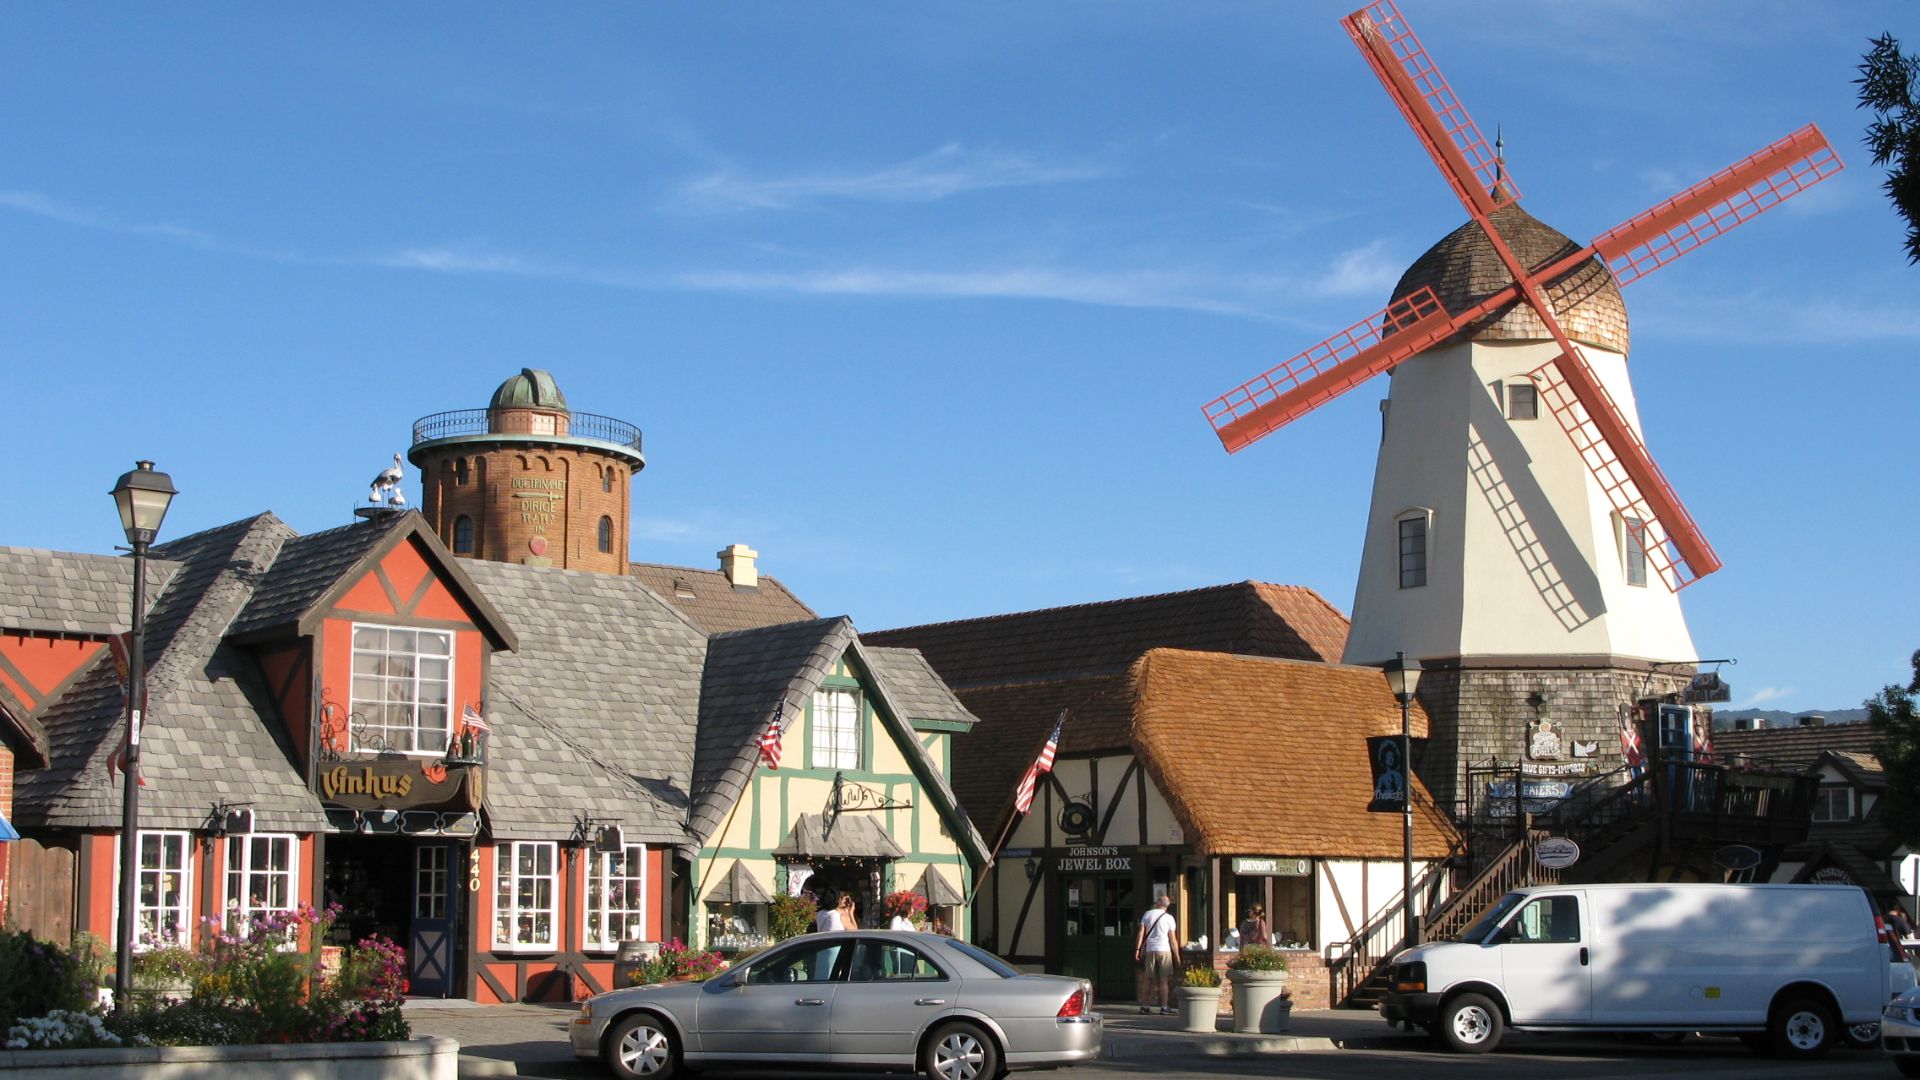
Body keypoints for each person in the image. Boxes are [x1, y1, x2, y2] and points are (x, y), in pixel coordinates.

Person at [1134, 893, 1178, 1015]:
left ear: (1158, 903)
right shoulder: (1169, 918)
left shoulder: (1148, 914)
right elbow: (1173, 940)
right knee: (1164, 980)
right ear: (1167, 906)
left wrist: (1137, 950)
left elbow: (1141, 934)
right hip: (1164, 949)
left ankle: (1145, 1006)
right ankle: (1164, 1007)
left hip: (1150, 950)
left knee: (1147, 979)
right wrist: (1177, 956)